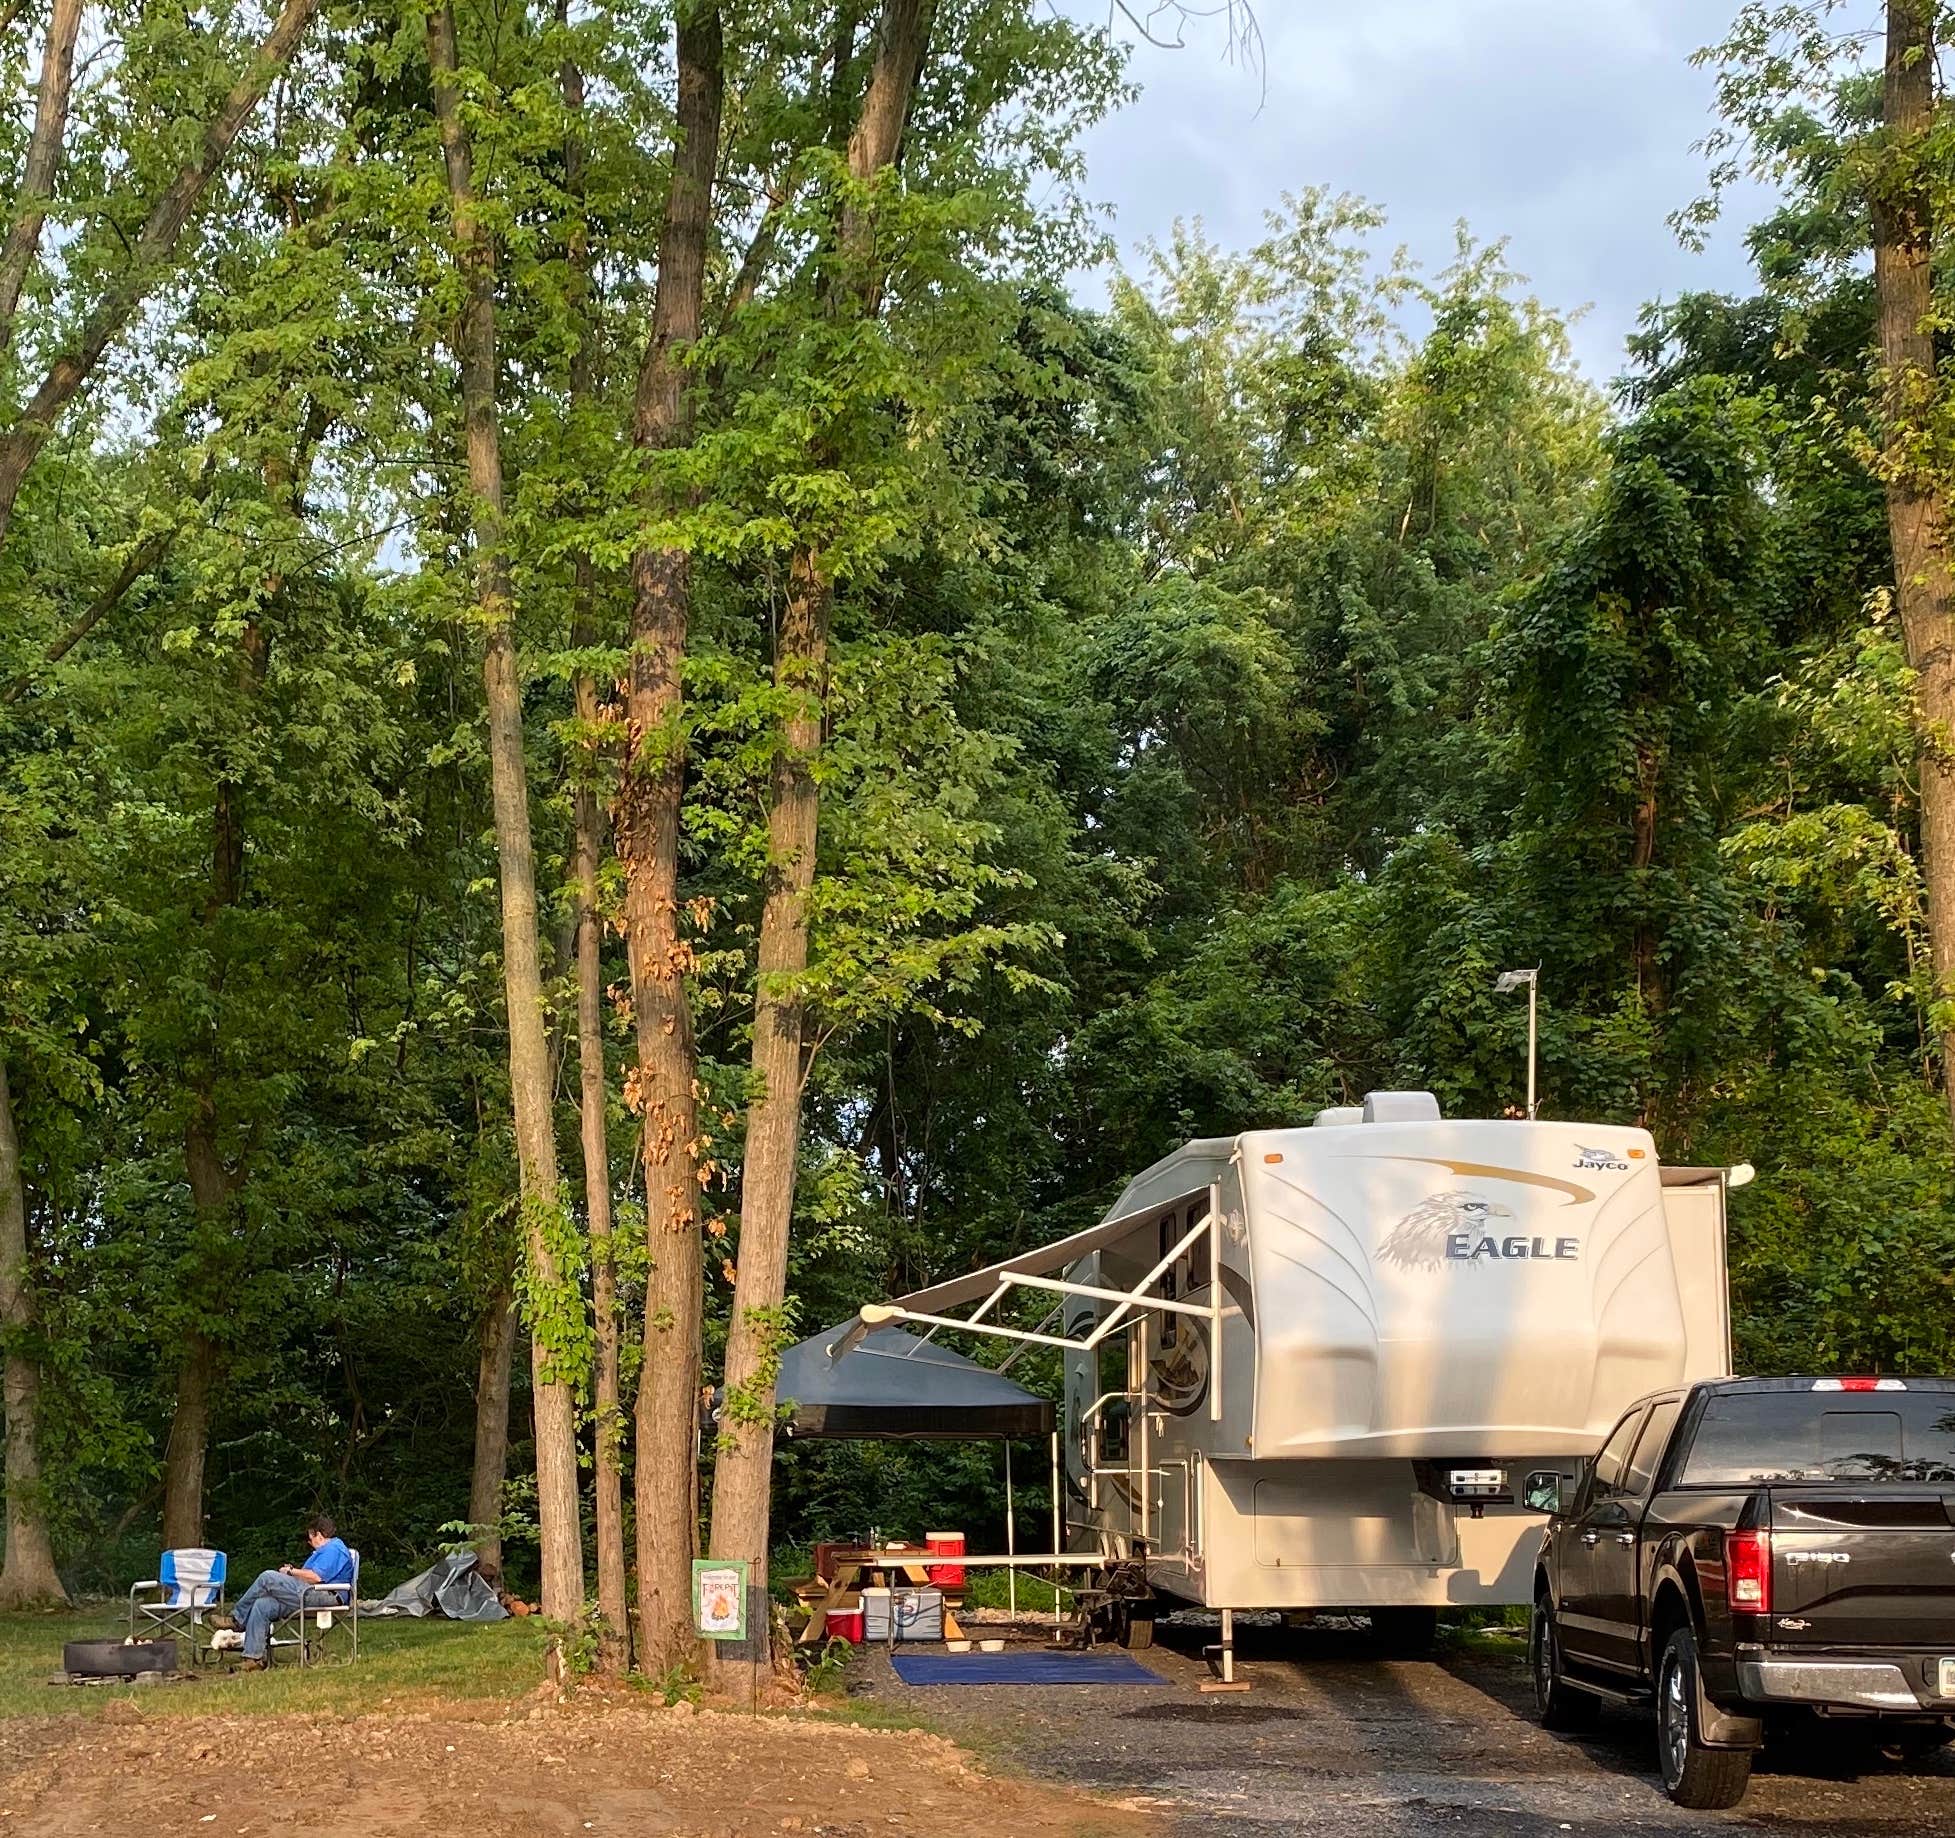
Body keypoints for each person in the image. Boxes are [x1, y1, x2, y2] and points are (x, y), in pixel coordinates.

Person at [211, 1515, 355, 1669]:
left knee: (267, 1577)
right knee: (262, 1605)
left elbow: (316, 1577)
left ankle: (237, 1619)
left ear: (319, 1535)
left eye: (310, 1539)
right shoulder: (324, 1552)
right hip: (310, 1593)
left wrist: (291, 1572)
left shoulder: (334, 1548)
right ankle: (253, 1659)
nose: (310, 1544)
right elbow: (307, 1576)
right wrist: (290, 1573)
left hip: (327, 1596)